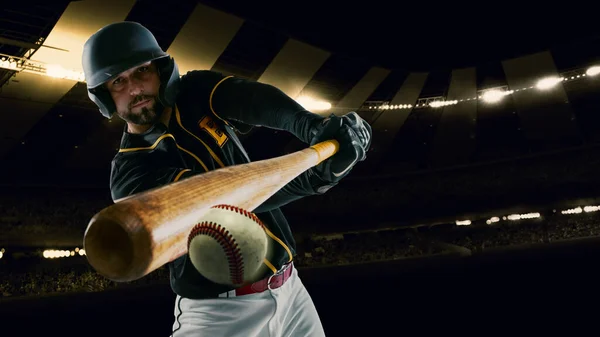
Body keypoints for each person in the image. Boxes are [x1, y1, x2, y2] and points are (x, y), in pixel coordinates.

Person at [81, 21, 372, 337]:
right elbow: (226, 205)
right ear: (105, 96)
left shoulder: (194, 91)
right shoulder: (130, 175)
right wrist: (314, 177)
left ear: (160, 70)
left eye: (141, 72)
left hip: (291, 289)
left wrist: (312, 127)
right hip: (220, 314)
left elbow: (253, 100)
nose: (135, 89)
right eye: (118, 82)